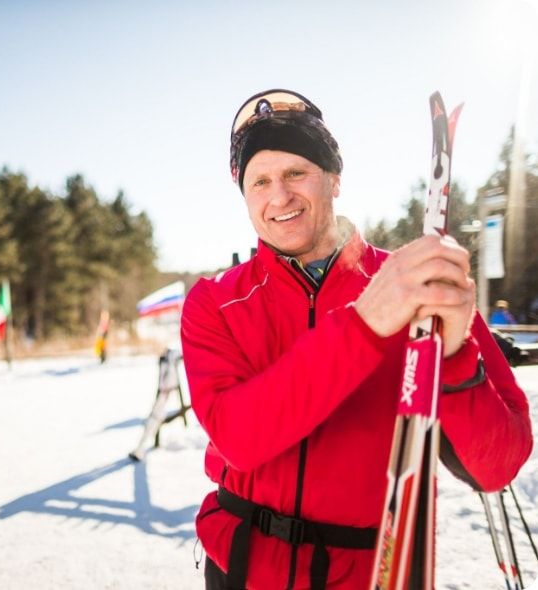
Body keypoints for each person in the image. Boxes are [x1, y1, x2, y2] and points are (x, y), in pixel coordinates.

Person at [180, 89, 533, 590]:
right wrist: (364, 325)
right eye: (259, 181)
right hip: (245, 568)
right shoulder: (217, 301)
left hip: (372, 571)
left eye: (296, 172)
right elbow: (238, 437)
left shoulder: (411, 281)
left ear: (334, 179)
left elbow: (497, 466)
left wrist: (454, 359)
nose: (278, 196)